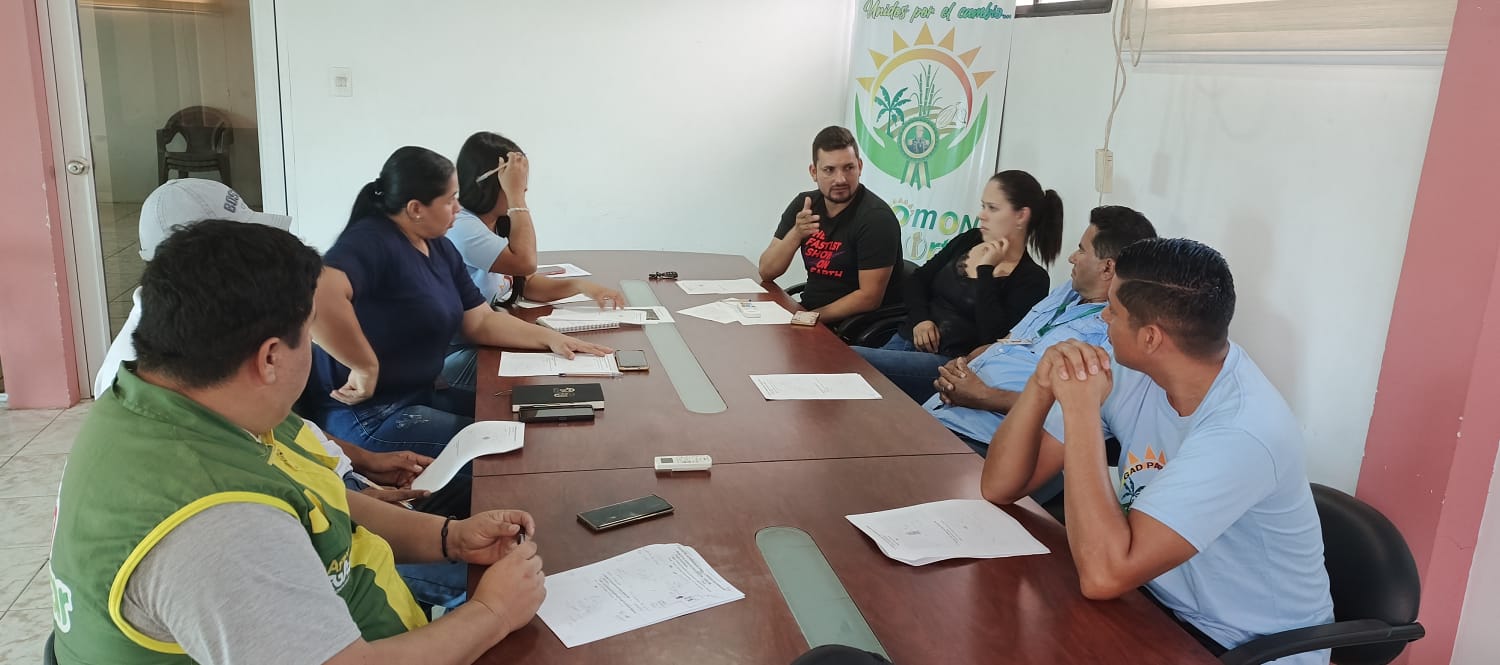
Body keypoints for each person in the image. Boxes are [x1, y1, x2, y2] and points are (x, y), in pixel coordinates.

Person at [51, 220, 547, 664]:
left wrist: (449, 538)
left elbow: (323, 498)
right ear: (270, 358)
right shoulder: (218, 525)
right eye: (309, 335)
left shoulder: (185, 400)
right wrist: (493, 613)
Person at [980, 238, 1334, 661]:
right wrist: (1041, 387)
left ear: (1150, 338)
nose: (1103, 316)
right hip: (1152, 604)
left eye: (1113, 310)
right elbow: (1000, 486)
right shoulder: (1131, 367)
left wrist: (1080, 411)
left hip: (1239, 645)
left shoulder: (1242, 431)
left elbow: (1103, 576)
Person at [307, 146, 611, 458]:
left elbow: (481, 321)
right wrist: (364, 365)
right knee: (510, 455)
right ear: (415, 208)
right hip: (372, 416)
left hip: (419, 395)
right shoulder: (372, 240)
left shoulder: (438, 247)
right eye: (450, 199)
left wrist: (552, 339)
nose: (458, 207)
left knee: (531, 422)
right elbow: (318, 292)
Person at [922, 206, 1156, 467]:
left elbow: (1074, 413)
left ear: (1107, 268)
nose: (1072, 258)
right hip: (946, 407)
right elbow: (1009, 342)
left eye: (1081, 250)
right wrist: (964, 364)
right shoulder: (1069, 290)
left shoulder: (1116, 334)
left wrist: (984, 395)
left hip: (984, 438)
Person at [442, 131, 624, 389]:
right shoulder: (462, 227)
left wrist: (581, 287)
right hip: (457, 351)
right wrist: (516, 199)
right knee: (550, 372)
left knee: (558, 357)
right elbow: (525, 262)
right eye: (515, 182)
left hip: (483, 336)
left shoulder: (496, 222)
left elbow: (526, 281)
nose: (524, 189)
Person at [855, 170, 1059, 382]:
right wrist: (921, 320)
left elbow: (993, 339)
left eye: (992, 208)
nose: (982, 215)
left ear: (1021, 216)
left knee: (852, 360)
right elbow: (917, 280)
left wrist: (985, 270)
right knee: (849, 366)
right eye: (983, 206)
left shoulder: (1032, 279)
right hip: (909, 336)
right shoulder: (970, 239)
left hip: (949, 363)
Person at [758, 126, 902, 324]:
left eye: (849, 168)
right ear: (814, 172)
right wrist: (796, 233)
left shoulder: (877, 219)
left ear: (860, 166)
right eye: (829, 170)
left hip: (852, 326)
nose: (840, 179)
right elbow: (767, 271)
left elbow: (869, 298)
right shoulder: (805, 205)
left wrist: (808, 318)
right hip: (811, 313)